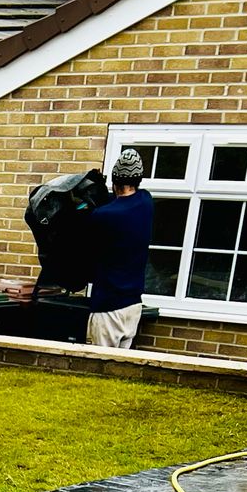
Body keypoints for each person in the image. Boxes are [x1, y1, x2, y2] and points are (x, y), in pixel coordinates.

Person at [84, 148, 153, 349]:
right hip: (133, 306)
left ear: (114, 182)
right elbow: (122, 201)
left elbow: (87, 251)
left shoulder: (104, 216)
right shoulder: (146, 202)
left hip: (108, 307)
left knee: (97, 368)